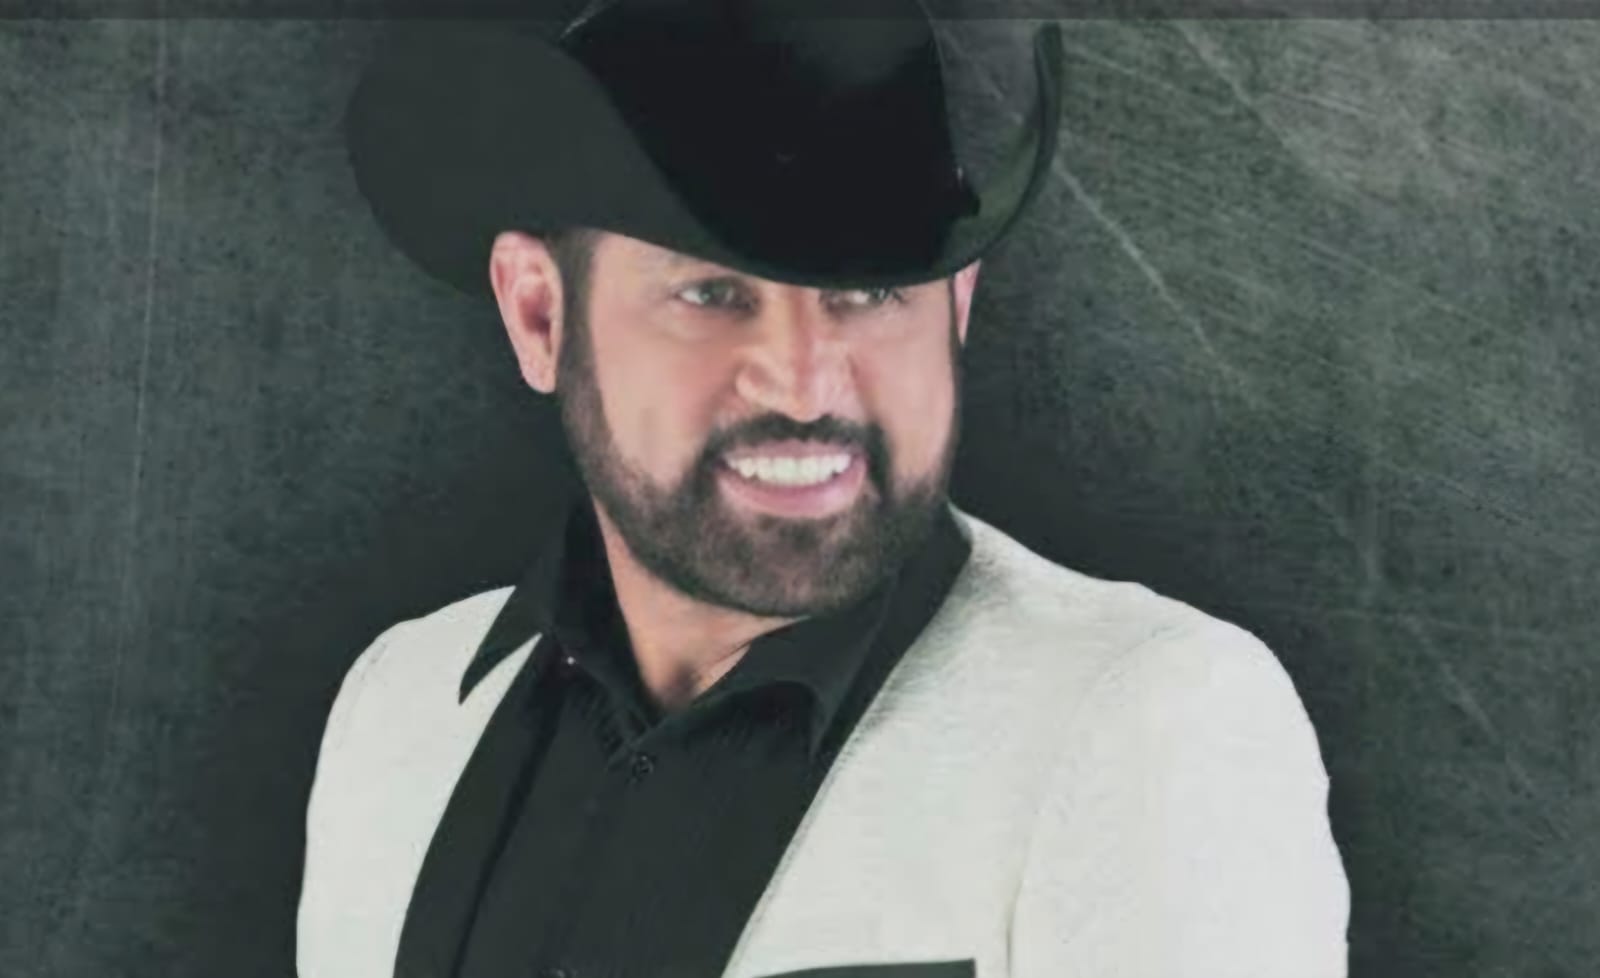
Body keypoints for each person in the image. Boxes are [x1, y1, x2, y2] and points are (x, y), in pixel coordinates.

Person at [297, 2, 1350, 977]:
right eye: (711, 293)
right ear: (539, 315)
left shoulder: (1148, 721)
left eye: (873, 290)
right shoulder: (401, 708)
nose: (804, 383)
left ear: (957, 307)